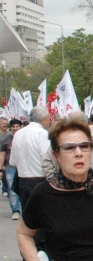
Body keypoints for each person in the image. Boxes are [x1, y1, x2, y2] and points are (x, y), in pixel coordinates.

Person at [16, 118, 93, 261]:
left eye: (84, 146)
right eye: (69, 147)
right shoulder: (43, 194)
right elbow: (24, 233)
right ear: (56, 155)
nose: (78, 153)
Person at [9, 106, 51, 252]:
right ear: (44, 119)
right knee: (42, 218)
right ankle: (39, 250)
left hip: (23, 180)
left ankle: (28, 251)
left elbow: (12, 161)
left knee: (27, 219)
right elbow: (47, 159)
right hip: (40, 179)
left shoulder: (18, 134)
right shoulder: (42, 134)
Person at [0, 119, 23, 220]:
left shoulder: (25, 138)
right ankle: (15, 210)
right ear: (11, 128)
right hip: (10, 168)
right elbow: (2, 156)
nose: (15, 128)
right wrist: (0, 169)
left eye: (17, 126)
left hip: (23, 167)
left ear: (20, 127)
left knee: (24, 188)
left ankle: (26, 210)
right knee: (12, 190)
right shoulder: (6, 140)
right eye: (13, 127)